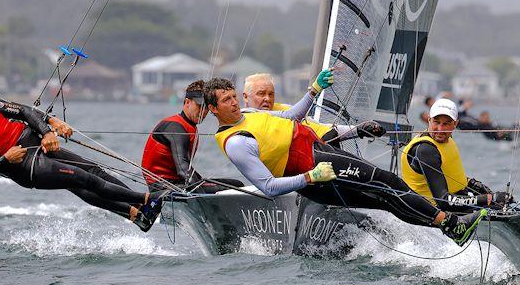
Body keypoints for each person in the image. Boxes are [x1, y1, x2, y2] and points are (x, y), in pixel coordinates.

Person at [204, 73, 487, 246]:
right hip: (313, 169)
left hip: (318, 152)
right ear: (214, 109)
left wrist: (313, 90)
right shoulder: (236, 143)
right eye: (226, 100)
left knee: (383, 199)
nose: (232, 103)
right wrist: (309, 177)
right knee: (387, 182)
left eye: (232, 96)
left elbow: (291, 117)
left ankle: (450, 230)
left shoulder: (249, 114)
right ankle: (450, 224)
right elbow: (267, 186)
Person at [0, 78, 168, 231]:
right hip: (27, 166)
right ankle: (147, 200)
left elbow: (24, 111)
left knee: (93, 171)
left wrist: (46, 132)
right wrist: (5, 159)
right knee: (84, 179)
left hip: (37, 144)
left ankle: (140, 214)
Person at [401, 99, 511, 214]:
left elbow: (450, 174)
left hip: (453, 203)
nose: (440, 129)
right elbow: (442, 200)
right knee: (495, 208)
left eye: (446, 123)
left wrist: (475, 186)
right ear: (429, 120)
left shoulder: (446, 139)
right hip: (432, 212)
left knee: (506, 207)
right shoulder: (426, 150)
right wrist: (488, 199)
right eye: (436, 122)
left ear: (455, 124)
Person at [142, 80, 244, 192]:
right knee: (234, 188)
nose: (203, 112)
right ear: (187, 102)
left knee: (237, 184)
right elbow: (183, 169)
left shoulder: (190, 127)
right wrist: (201, 197)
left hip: (178, 182)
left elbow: (185, 169)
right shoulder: (176, 126)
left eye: (206, 108)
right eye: (199, 106)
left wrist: (200, 181)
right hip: (162, 186)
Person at [241, 73, 386, 144]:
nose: (267, 98)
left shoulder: (280, 108)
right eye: (261, 94)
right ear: (245, 97)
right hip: (297, 169)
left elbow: (320, 128)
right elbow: (293, 115)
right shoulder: (248, 115)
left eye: (271, 94)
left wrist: (358, 130)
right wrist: (314, 90)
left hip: (322, 148)